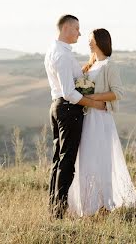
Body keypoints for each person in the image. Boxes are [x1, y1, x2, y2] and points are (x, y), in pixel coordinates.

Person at [67, 28, 136, 216]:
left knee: (101, 159)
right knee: (86, 159)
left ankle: (103, 202)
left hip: (100, 119)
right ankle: (88, 203)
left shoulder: (109, 65)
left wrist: (93, 97)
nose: (89, 42)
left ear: (101, 41)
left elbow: (118, 92)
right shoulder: (89, 66)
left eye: (91, 39)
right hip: (86, 118)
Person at [44, 15, 106, 219]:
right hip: (68, 109)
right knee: (67, 161)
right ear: (66, 28)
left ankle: (53, 208)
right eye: (77, 29)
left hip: (58, 107)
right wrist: (95, 103)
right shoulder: (62, 55)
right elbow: (69, 92)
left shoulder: (55, 51)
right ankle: (58, 211)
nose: (79, 33)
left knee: (58, 159)